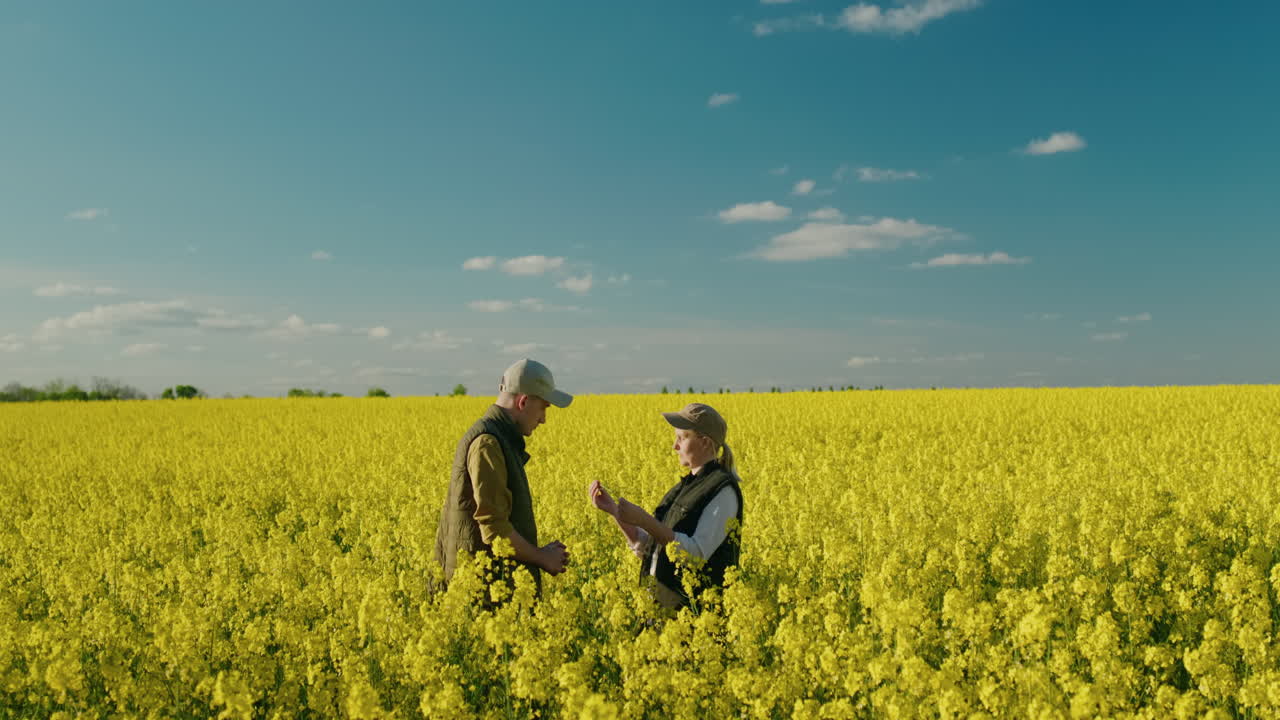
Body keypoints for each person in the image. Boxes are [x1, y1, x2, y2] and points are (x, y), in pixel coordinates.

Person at [435, 358, 573, 597]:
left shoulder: (500, 439)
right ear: (523, 401)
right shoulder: (488, 444)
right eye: (543, 408)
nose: (543, 419)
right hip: (482, 594)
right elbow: (495, 529)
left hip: (487, 586)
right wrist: (541, 557)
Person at [588, 402, 743, 609]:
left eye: (682, 438)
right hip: (659, 617)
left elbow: (694, 554)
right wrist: (615, 512)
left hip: (695, 624)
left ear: (705, 442)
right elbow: (653, 547)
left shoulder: (723, 491)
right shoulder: (684, 487)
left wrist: (644, 520)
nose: (675, 446)